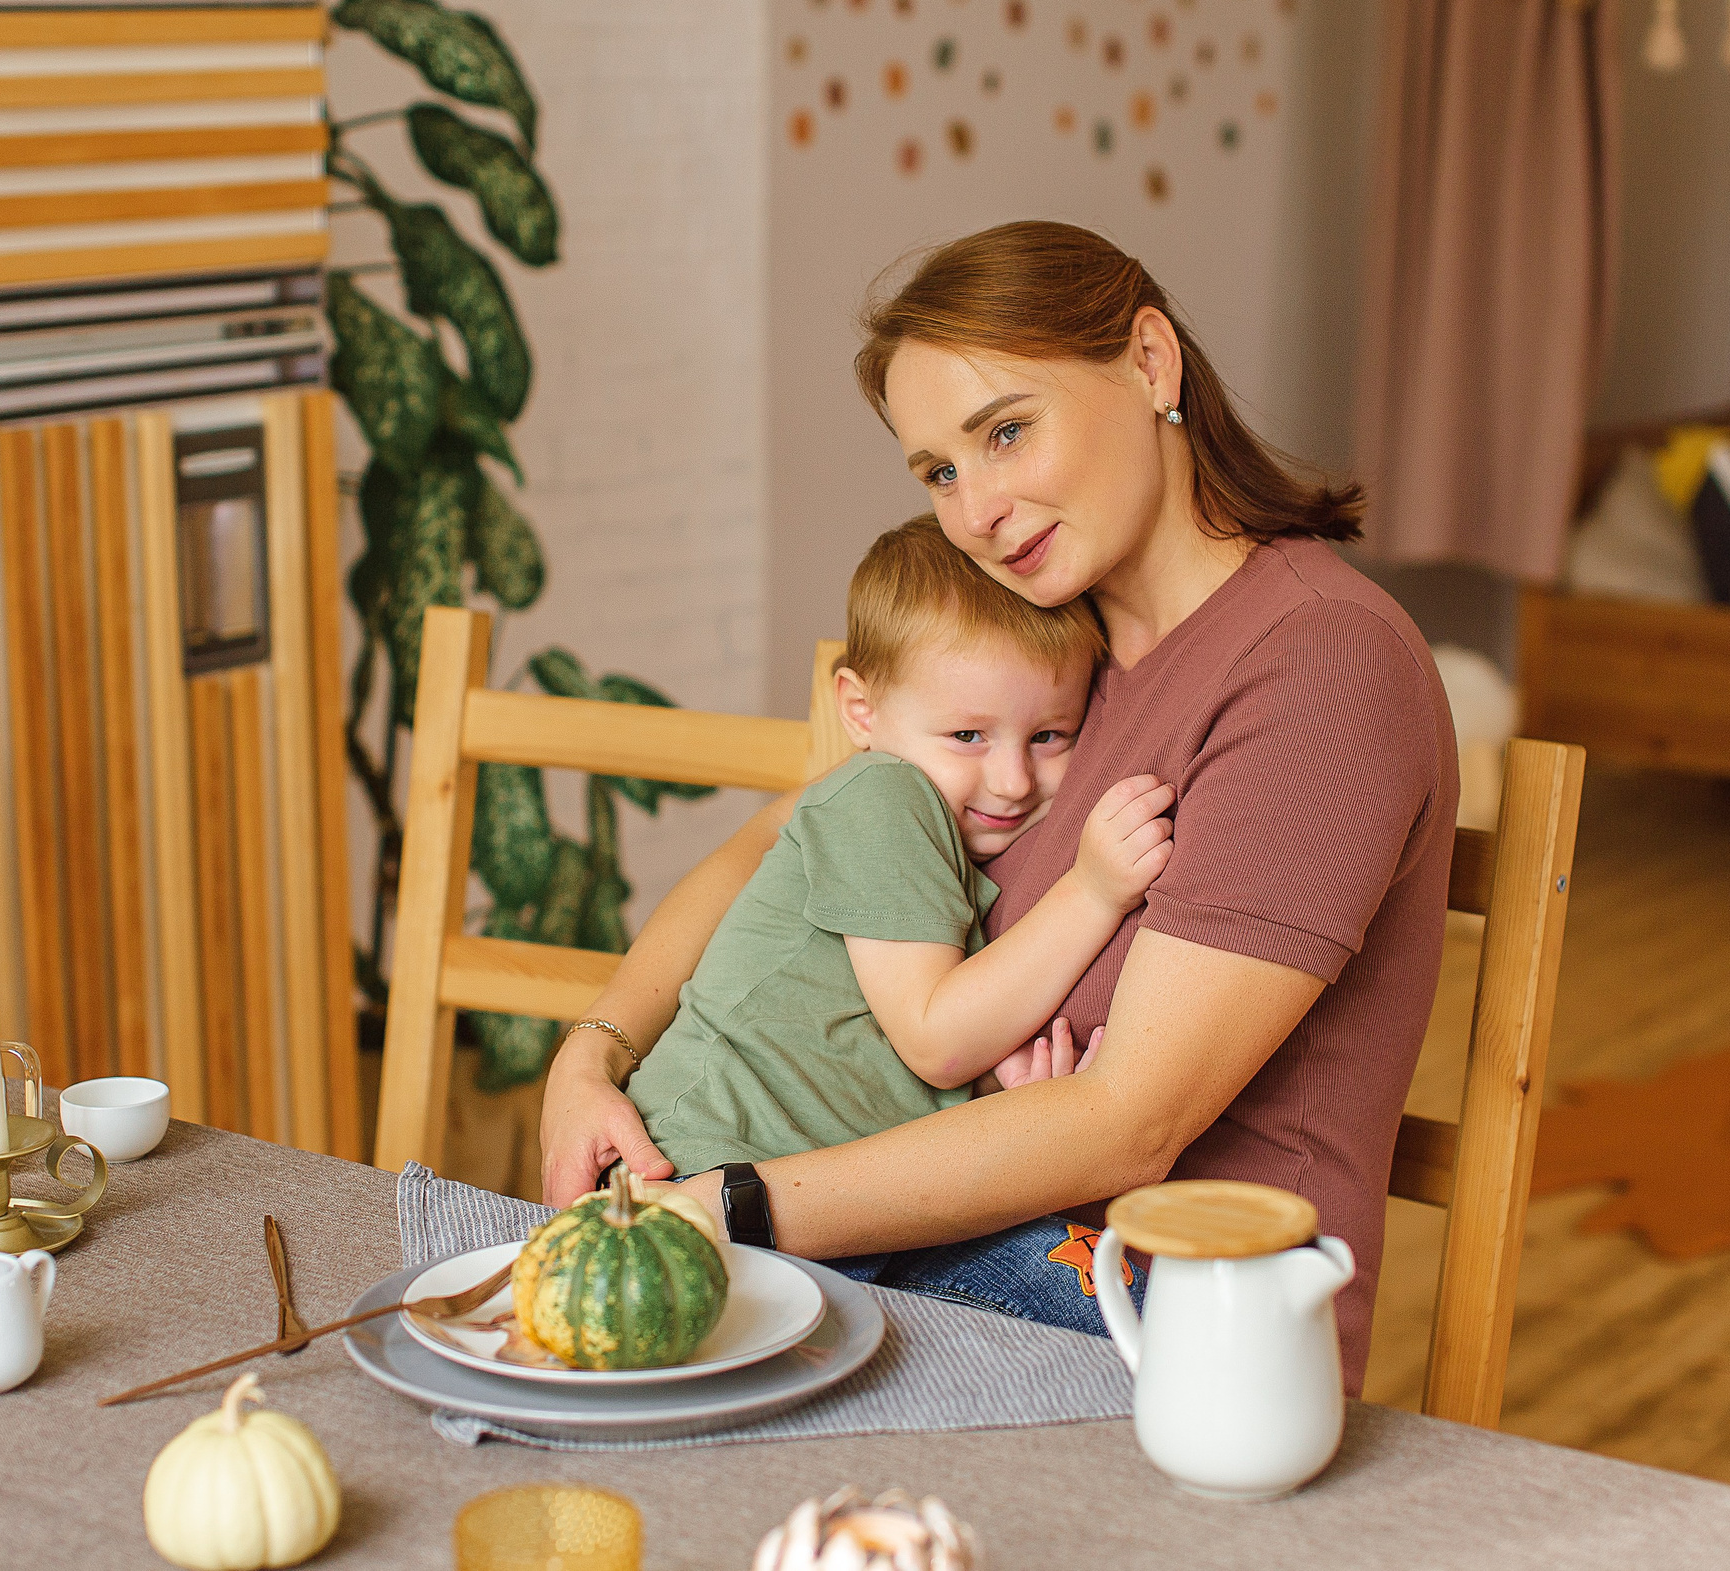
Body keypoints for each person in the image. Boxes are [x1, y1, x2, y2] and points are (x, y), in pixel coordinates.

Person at [541, 221, 1458, 1386]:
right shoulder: (1042, 656)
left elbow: (1131, 1121)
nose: (974, 511)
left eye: (1006, 431)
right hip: (938, 1257)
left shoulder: (1318, 665)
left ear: (1149, 363)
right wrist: (592, 1059)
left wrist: (738, 1206)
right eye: (939, 472)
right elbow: (778, 835)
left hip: (1174, 1340)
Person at [623, 514, 1174, 1177]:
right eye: (968, 736)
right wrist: (1093, 892)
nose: (1012, 781)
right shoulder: (884, 797)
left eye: (1050, 735)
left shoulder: (950, 830)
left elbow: (881, 1068)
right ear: (861, 712)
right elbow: (935, 1039)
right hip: (694, 1163)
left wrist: (1001, 1096)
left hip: (808, 1188)